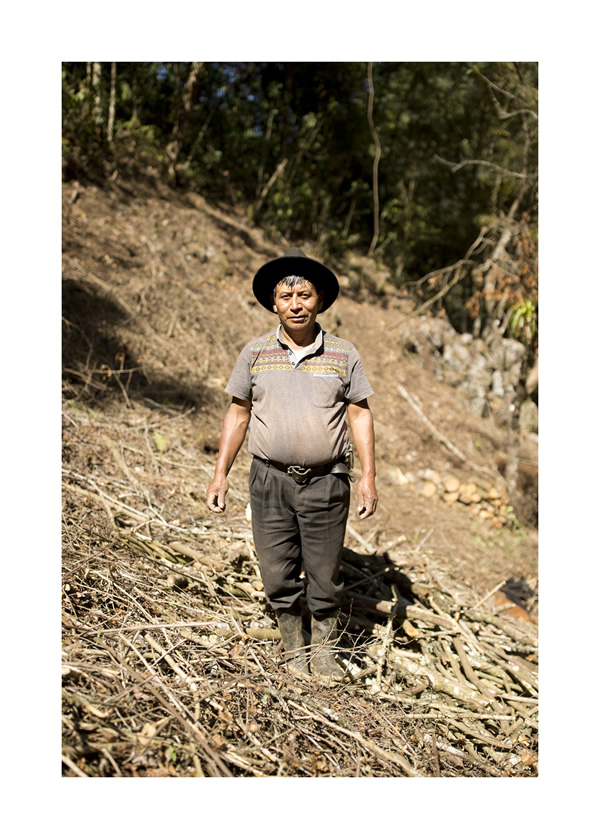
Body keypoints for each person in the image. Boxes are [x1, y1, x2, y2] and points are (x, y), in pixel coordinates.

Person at [206, 247, 378, 683]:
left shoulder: (343, 354)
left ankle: (322, 650)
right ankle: (291, 644)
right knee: (276, 569)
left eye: (304, 294)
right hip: (268, 480)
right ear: (273, 303)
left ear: (319, 299)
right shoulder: (256, 352)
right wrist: (220, 472)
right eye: (286, 297)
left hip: (326, 483)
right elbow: (238, 412)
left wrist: (370, 477)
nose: (296, 304)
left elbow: (359, 413)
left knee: (324, 573)